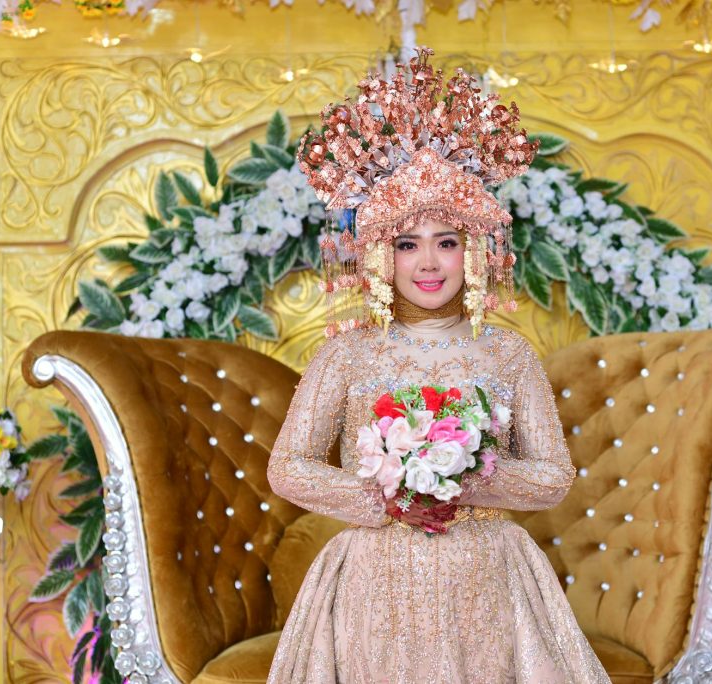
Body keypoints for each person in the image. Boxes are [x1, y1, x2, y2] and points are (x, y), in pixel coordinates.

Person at [266, 48, 611, 683]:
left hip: (488, 578)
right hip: (376, 582)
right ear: (381, 256)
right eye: (408, 243)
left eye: (446, 243)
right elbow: (287, 467)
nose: (428, 263)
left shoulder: (507, 354)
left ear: (473, 251)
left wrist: (467, 474)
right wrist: (389, 496)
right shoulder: (346, 354)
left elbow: (554, 477)